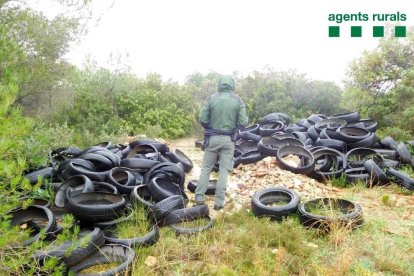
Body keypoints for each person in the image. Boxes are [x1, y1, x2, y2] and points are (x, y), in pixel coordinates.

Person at [195, 75, 248, 210]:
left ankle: (200, 198)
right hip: (228, 140)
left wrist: (209, 127)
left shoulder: (211, 99)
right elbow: (243, 123)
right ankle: (218, 203)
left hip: (212, 138)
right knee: (224, 170)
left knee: (206, 168)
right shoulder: (238, 101)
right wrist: (234, 126)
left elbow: (202, 118)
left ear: (219, 84)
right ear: (232, 85)